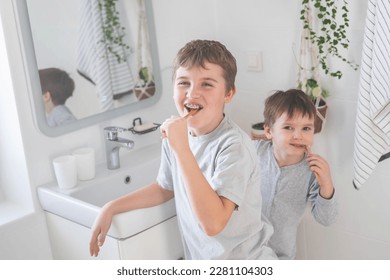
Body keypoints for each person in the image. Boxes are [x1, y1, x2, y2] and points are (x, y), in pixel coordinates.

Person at [90, 39, 276, 259]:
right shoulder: (177, 136)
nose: (192, 93)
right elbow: (165, 188)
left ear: (228, 93)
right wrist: (111, 206)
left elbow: (214, 223)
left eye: (206, 84)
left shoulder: (234, 146)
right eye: (183, 83)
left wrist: (181, 148)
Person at [254, 89, 337, 259]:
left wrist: (326, 185)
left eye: (306, 128)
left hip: (281, 256)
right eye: (288, 127)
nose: (298, 135)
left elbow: (326, 219)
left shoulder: (312, 172)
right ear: (269, 132)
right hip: (246, 251)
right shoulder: (254, 151)